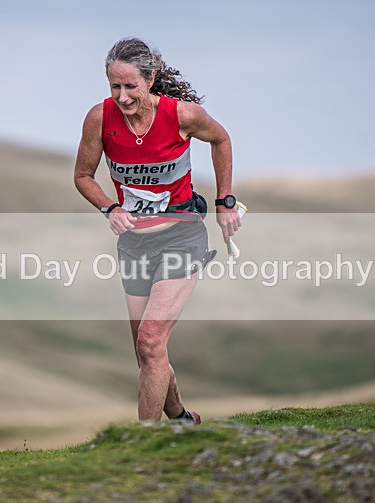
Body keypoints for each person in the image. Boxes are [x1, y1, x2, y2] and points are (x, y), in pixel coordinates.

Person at [74, 38, 241, 423]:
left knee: (150, 341)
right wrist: (110, 207)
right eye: (115, 86)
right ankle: (182, 418)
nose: (122, 96)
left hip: (182, 234)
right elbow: (83, 176)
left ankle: (142, 441)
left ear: (150, 79)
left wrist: (224, 199)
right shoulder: (99, 119)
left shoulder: (183, 115)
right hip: (134, 245)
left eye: (130, 86)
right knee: (147, 350)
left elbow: (221, 139)